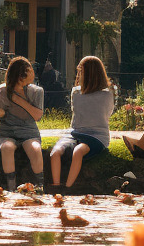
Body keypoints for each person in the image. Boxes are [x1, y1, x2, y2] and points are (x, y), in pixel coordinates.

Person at [49, 55, 114, 189]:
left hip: (96, 136)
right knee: (55, 152)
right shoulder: (76, 92)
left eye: (81, 71)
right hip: (75, 132)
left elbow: (106, 114)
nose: (78, 74)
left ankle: (67, 188)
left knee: (78, 152)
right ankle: (55, 187)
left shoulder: (107, 94)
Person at [0, 55, 44, 192]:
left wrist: (18, 100)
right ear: (18, 76)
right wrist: (0, 113)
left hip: (28, 132)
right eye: (28, 71)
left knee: (35, 148)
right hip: (7, 133)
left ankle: (40, 187)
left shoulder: (36, 91)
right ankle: (11, 188)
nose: (32, 73)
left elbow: (37, 116)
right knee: (7, 148)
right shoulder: (0, 91)